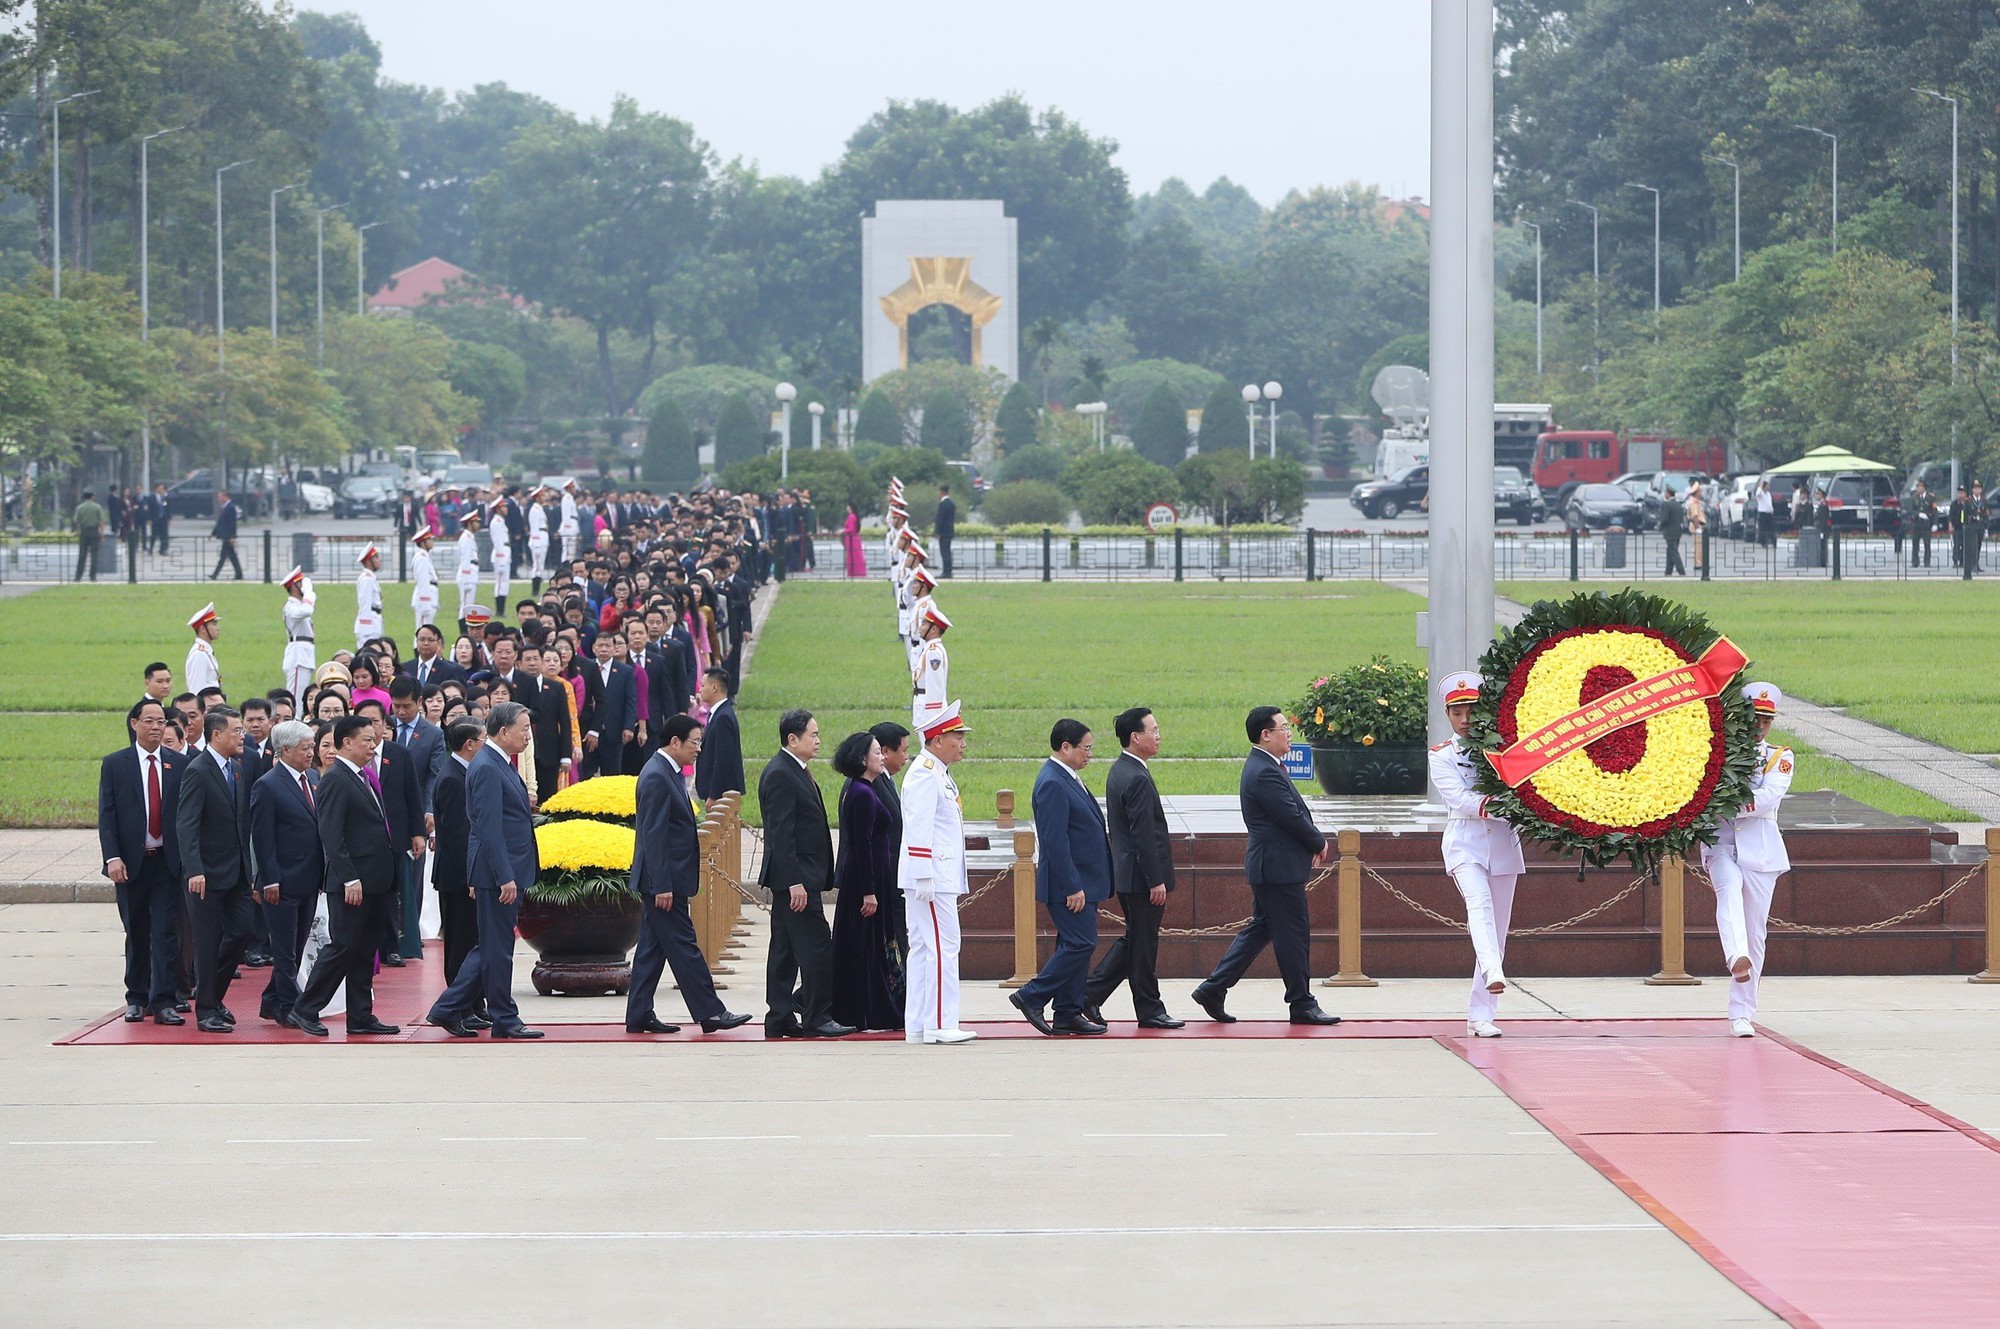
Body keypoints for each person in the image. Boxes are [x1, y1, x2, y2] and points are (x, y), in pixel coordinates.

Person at [1192, 707, 1340, 1025]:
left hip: (1273, 867)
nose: (1289, 733)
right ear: (1265, 735)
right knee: (1294, 936)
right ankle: (1301, 1003)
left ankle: (1213, 988)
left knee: (1262, 930)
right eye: (1284, 728)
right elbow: (1290, 816)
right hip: (1277, 869)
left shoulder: (1267, 766)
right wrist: (1318, 841)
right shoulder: (1264, 771)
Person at [624, 714, 751, 1035]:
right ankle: (711, 1012)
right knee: (684, 945)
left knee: (652, 949)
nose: (699, 748)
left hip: (668, 879)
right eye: (695, 741)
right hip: (664, 882)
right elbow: (653, 836)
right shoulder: (656, 776)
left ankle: (639, 1013)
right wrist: (662, 885)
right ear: (675, 742)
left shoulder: (668, 772)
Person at [425, 702, 544, 1039]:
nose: (527, 735)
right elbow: (488, 828)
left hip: (506, 870)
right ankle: (503, 1017)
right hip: (499, 874)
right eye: (523, 728)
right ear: (503, 731)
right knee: (495, 948)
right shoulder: (489, 767)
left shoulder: (498, 762)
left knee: (491, 946)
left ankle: (449, 1008)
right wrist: (503, 875)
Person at [1428, 672, 1525, 1038]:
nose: (1465, 720)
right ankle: (1493, 971)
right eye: (1457, 713)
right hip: (1465, 842)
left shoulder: (1504, 749)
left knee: (1498, 927)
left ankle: (1481, 1013)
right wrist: (1509, 806)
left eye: (1471, 711)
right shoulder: (1441, 756)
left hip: (1502, 844)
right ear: (1448, 715)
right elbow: (1461, 800)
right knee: (1479, 906)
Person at [292, 716, 402, 1037]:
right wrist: (349, 876)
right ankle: (306, 1007)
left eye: (374, 739)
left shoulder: (362, 776)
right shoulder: (336, 779)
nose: (372, 745)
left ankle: (360, 1015)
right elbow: (331, 833)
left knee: (365, 948)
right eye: (366, 740)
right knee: (343, 946)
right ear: (347, 743)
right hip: (352, 883)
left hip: (375, 880)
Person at [1010, 719, 1113, 1036]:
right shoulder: (1053, 781)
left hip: (1084, 880)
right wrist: (1072, 885)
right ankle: (1031, 996)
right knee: (1082, 943)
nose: (1090, 754)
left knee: (1074, 943)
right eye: (1086, 748)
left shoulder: (1067, 776)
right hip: (1070, 884)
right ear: (1065, 747)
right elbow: (1054, 841)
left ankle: (1067, 1012)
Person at [757, 709, 853, 1039]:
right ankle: (817, 1016)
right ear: (792, 739)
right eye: (812, 735)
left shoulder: (794, 770)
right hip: (796, 881)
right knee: (816, 949)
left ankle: (780, 1016)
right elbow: (781, 834)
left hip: (797, 878)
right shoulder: (781, 773)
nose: (818, 740)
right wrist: (794, 880)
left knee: (784, 952)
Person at [1084, 707, 1182, 1028]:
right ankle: (1149, 1009)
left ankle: (1089, 995)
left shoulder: (1121, 769)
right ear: (1134, 737)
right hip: (1142, 879)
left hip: (1129, 875)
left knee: (1135, 941)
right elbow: (1143, 836)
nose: (1158, 736)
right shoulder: (1136, 777)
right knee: (1143, 946)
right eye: (1152, 730)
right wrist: (1155, 880)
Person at [1706, 683, 1794, 1038]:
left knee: (1756, 932)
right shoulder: (1716, 752)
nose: (1759, 726)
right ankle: (1734, 957)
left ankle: (1742, 1012)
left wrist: (1725, 804)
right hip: (1721, 843)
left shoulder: (1779, 756)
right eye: (1753, 718)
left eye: (1766, 720)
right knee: (1729, 888)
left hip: (1760, 850)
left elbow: (1768, 798)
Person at [97, 699, 189, 1024]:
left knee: (166, 932)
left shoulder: (178, 764)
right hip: (131, 863)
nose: (156, 727)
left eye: (161, 721)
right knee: (136, 931)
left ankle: (162, 1000)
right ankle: (136, 997)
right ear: (134, 723)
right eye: (149, 721)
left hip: (167, 862)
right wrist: (112, 857)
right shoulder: (115, 764)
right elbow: (107, 816)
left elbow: (186, 817)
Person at [900, 701, 976, 1045]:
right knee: (944, 946)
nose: (962, 743)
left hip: (936, 875)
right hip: (931, 877)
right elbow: (918, 827)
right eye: (957, 736)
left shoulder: (937, 773)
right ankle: (941, 1023)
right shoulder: (924, 774)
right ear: (937, 739)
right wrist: (924, 875)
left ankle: (917, 1024)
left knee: (922, 947)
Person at [175, 706, 253, 1033]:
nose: (242, 736)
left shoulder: (235, 768)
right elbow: (187, 824)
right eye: (237, 730)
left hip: (236, 872)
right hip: (205, 876)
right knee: (207, 944)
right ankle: (206, 1009)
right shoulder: (198, 770)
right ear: (217, 734)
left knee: (243, 932)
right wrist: (194, 869)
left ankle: (213, 996)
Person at [828, 731, 906, 1031]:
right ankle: (862, 1010)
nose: (881, 757)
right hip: (866, 884)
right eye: (876, 753)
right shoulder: (860, 793)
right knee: (864, 947)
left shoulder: (868, 789)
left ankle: (876, 1008)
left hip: (877, 880)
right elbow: (859, 846)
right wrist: (869, 892)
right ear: (862, 759)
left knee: (874, 946)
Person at [249, 721, 322, 1027]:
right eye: (306, 747)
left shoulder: (313, 778)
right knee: (284, 951)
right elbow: (262, 838)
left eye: (312, 746)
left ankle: (272, 1001)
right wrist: (270, 879)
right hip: (282, 880)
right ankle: (291, 1007)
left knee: (295, 944)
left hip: (309, 877)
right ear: (287, 750)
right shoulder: (267, 784)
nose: (312, 752)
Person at [430, 720, 484, 997]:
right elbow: (458, 836)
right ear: (469, 744)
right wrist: (472, 877)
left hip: (465, 876)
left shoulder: (464, 772)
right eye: (483, 739)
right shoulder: (452, 778)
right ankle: (458, 1003)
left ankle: (473, 1002)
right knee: (460, 943)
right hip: (459, 878)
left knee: (471, 939)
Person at [577, 627, 636, 781]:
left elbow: (630, 700)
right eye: (600, 645)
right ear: (593, 648)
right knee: (586, 773)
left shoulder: (625, 671)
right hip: (588, 729)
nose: (604, 649)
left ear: (614, 648)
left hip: (613, 730)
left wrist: (629, 726)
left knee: (612, 775)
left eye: (608, 645)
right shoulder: (585, 668)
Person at [692, 667, 743, 803]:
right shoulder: (717, 713)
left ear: (714, 687)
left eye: (703, 686)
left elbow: (722, 759)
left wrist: (714, 795)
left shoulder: (723, 717)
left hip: (722, 793)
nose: (700, 690)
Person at [909, 602, 952, 731]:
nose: (920, 628)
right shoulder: (930, 649)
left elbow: (935, 687)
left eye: (923, 624)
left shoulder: (933, 653)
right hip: (923, 706)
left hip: (929, 711)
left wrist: (933, 721)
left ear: (933, 630)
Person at [279, 567, 317, 703]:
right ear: (295, 586)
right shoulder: (290, 607)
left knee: (302, 696)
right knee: (296, 698)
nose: (305, 586)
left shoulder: (297, 605)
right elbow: (307, 610)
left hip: (303, 654)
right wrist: (309, 592)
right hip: (297, 656)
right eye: (301, 583)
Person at [184, 603, 222, 700]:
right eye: (214, 624)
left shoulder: (206, 651)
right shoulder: (199, 654)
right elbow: (197, 690)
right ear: (203, 629)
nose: (218, 628)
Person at [455, 510, 484, 632]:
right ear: (469, 523)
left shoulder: (469, 537)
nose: (478, 524)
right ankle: (464, 633)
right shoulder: (466, 538)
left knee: (468, 605)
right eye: (475, 522)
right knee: (466, 607)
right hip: (467, 576)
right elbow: (465, 559)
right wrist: (466, 580)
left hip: (471, 574)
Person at [353, 543, 385, 650]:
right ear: (368, 562)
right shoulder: (366, 579)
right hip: (368, 625)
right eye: (375, 557)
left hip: (374, 622)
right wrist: (366, 629)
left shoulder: (371, 578)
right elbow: (365, 604)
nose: (379, 560)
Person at [73, 489, 106, 581]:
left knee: (82, 555)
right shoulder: (97, 507)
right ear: (92, 497)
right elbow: (101, 522)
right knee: (94, 555)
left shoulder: (79, 508)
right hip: (94, 531)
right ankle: (92, 576)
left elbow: (76, 520)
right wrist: (102, 534)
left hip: (84, 532)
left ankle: (78, 576)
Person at [410, 528, 440, 630]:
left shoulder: (425, 557)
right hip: (424, 600)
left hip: (430, 597)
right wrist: (425, 603)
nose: (432, 542)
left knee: (427, 630)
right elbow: (423, 582)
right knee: (422, 631)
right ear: (423, 543)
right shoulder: (421, 558)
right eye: (429, 540)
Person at [210, 490, 243, 581]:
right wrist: (213, 533)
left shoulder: (231, 507)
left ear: (225, 496)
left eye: (220, 497)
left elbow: (232, 523)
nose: (219, 499)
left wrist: (232, 536)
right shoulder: (225, 507)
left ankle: (215, 574)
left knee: (223, 556)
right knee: (232, 556)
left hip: (228, 536)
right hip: (225, 535)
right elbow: (220, 522)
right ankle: (239, 574)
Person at [1658, 483, 1685, 576]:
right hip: (1678, 532)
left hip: (1669, 532)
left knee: (1673, 552)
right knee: (1670, 551)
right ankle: (1668, 571)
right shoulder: (1678, 505)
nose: (1665, 494)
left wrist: (1660, 526)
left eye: (1665, 492)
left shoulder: (1667, 505)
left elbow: (1664, 519)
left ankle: (1681, 571)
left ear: (1668, 494)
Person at [1909, 481, 1936, 568]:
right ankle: (1915, 561)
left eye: (1920, 487)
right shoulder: (1915, 497)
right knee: (1915, 544)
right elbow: (1911, 510)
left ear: (1924, 488)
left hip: (1926, 524)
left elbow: (1934, 511)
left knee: (1927, 544)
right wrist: (1917, 514)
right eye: (1917, 487)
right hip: (1917, 523)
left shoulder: (1930, 498)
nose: (1918, 489)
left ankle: (1927, 562)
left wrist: (1935, 523)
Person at [934, 482, 956, 579]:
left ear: (941, 492)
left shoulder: (942, 504)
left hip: (943, 532)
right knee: (948, 552)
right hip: (949, 531)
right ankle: (949, 571)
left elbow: (940, 519)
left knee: (944, 553)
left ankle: (946, 572)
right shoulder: (951, 503)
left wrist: (937, 531)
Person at [841, 502, 867, 578]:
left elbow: (851, 529)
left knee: (854, 555)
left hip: (852, 538)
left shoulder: (851, 516)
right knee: (856, 554)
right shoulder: (854, 516)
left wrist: (844, 531)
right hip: (853, 538)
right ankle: (857, 571)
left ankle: (856, 571)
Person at [1756, 478, 1777, 548]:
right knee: (1763, 529)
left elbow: (1769, 503)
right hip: (1762, 513)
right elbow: (1758, 494)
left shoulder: (1768, 494)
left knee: (1771, 528)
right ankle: (1763, 543)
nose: (1769, 487)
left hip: (1769, 513)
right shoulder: (1760, 493)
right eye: (1767, 486)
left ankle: (1774, 542)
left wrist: (1772, 510)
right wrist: (1760, 487)